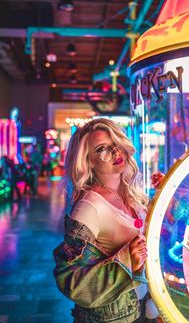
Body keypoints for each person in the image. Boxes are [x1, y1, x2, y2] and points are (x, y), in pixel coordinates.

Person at [53, 118, 160, 323]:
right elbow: (69, 279)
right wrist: (127, 258)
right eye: (102, 148)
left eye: (115, 144)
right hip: (113, 317)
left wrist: (164, 193)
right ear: (88, 161)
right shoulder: (89, 206)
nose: (115, 152)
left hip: (144, 307)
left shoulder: (130, 193)